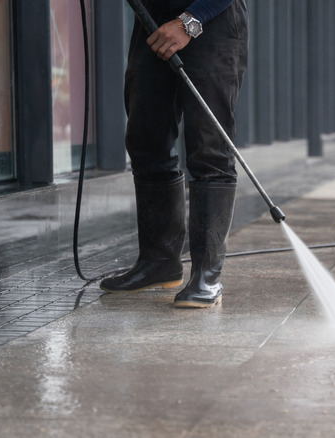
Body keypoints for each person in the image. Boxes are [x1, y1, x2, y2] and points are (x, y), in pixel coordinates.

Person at [99, 0, 248, 309]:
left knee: (210, 147)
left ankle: (207, 276)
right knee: (146, 138)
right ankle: (158, 263)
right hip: (152, 18)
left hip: (212, 18)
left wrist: (189, 22)